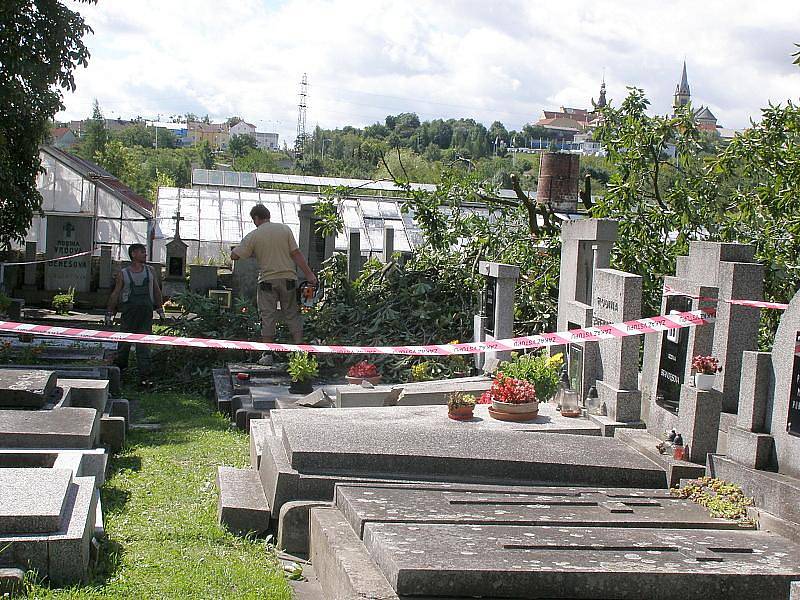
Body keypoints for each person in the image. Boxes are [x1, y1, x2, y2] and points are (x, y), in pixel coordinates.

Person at [231, 204, 317, 364]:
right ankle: (299, 350)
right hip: (288, 279)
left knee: (268, 316)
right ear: (268, 215)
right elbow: (296, 254)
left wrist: (243, 250)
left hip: (267, 282)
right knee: (292, 313)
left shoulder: (254, 235)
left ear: (256, 218)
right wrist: (309, 274)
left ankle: (268, 354)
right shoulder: (285, 230)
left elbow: (235, 255)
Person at [106, 243, 165, 385]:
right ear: (133, 254)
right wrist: (109, 313)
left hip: (145, 314)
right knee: (124, 345)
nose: (145, 254)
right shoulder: (123, 274)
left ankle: (145, 377)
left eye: (145, 252)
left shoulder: (150, 271)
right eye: (142, 252)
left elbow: (157, 291)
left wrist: (160, 310)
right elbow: (116, 294)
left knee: (143, 346)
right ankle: (120, 374)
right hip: (129, 314)